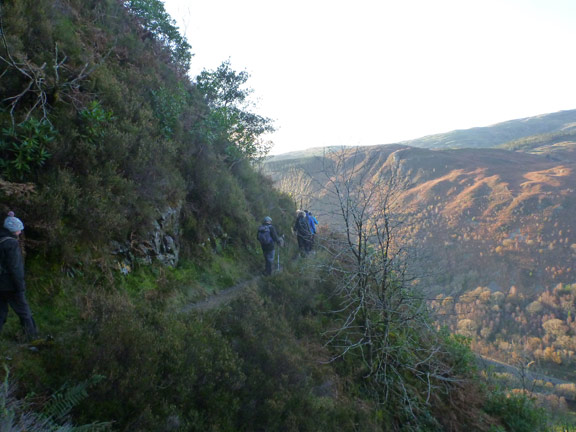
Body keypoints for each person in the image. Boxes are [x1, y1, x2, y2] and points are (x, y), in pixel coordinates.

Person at [0, 211, 38, 340]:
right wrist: (20, 286)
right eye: (18, 230)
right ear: (13, 230)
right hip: (10, 284)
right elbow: (15, 267)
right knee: (24, 312)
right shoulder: (12, 244)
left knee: (1, 312)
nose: (20, 232)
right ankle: (32, 337)